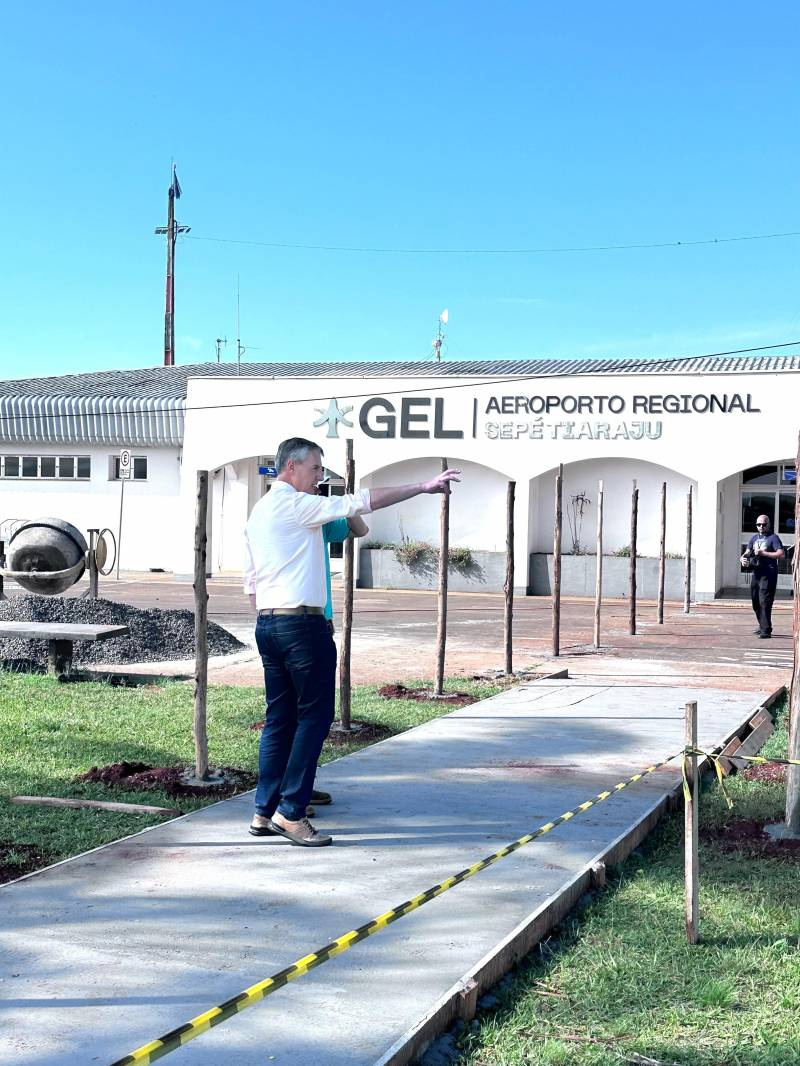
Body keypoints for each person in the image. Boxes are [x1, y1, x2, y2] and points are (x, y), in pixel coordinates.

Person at [244, 436, 460, 847]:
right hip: (301, 628)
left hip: (269, 625)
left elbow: (251, 580)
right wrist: (423, 486)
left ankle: (262, 811)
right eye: (314, 469)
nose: (319, 477)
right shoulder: (296, 504)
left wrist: (274, 614)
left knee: (280, 720)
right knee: (314, 717)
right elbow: (362, 503)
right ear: (290, 467)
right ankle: (291, 812)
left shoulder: (260, 511)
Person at [740, 514, 784, 639]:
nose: (761, 527)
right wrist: (742, 558)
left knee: (765, 601)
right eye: (758, 525)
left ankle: (766, 631)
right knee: (755, 602)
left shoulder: (773, 538)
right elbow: (747, 552)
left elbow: (781, 554)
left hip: (768, 574)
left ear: (768, 524)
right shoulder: (754, 538)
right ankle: (763, 625)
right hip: (756, 573)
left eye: (764, 524)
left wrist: (763, 553)